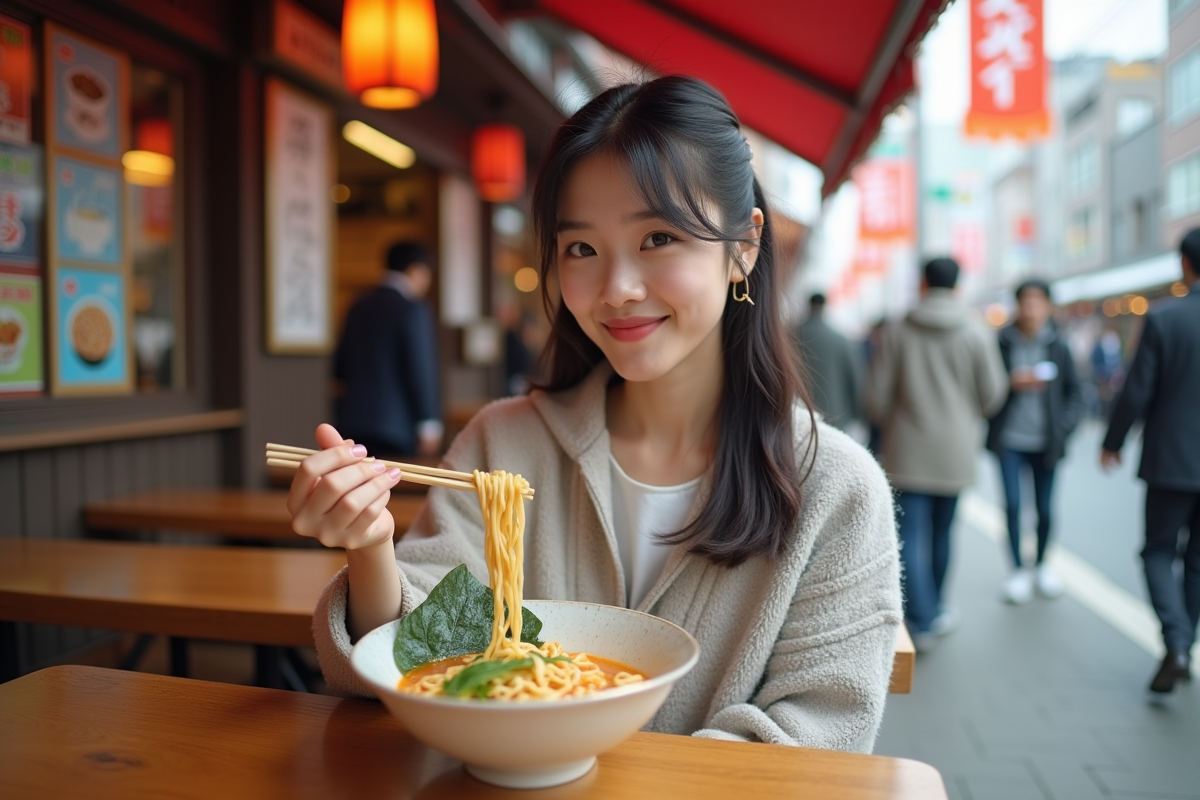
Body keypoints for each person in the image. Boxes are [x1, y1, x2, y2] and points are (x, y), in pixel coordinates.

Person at [289, 76, 901, 751]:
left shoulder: (836, 488)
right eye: (581, 248)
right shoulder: (505, 442)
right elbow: (430, 653)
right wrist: (371, 543)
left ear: (744, 247)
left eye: (659, 238)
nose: (617, 290)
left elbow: (819, 735)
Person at [866, 257, 1007, 650]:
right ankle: (936, 609)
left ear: (923, 284)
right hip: (956, 451)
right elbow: (993, 394)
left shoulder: (897, 331)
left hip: (907, 450)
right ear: (957, 285)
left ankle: (918, 616)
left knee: (909, 534)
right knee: (944, 531)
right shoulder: (976, 332)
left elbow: (876, 399)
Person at [1101, 228, 1200, 696]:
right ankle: (1183, 647)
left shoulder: (1165, 319)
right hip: (1176, 461)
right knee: (1198, 561)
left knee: (1158, 550)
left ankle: (1176, 643)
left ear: (1184, 264)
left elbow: (1136, 388)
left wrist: (1113, 441)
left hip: (1172, 459)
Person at [986, 279, 1083, 604]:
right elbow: (986, 389)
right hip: (1010, 439)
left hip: (1047, 442)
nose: (1030, 309)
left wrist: (1064, 427)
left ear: (1048, 306)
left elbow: (1075, 393)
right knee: (1013, 506)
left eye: (1037, 302)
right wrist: (1009, 383)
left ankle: (1041, 565)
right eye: (1025, 302)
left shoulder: (1058, 344)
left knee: (1044, 509)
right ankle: (1017, 570)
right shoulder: (1001, 343)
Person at [334, 241, 443, 457]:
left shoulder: (357, 305)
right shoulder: (413, 309)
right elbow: (419, 370)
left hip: (351, 424)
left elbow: (339, 367)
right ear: (417, 271)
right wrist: (429, 424)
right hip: (395, 427)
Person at [791, 292, 864, 432]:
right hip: (835, 414)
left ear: (809, 306)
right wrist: (857, 415)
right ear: (824, 307)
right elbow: (854, 378)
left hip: (797, 413)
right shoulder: (841, 339)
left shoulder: (790, 336)